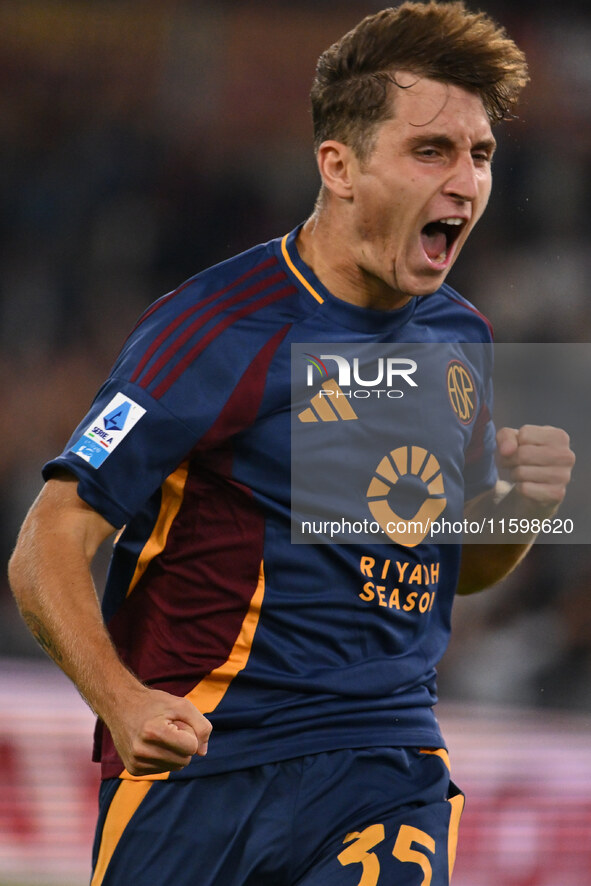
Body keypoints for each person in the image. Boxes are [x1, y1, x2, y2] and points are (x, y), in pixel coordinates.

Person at [8, 3, 574, 885]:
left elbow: (452, 564)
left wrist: (529, 508)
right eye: (431, 151)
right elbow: (47, 543)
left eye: (480, 154)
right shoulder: (214, 328)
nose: (464, 180)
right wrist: (120, 700)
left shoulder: (460, 336)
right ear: (338, 167)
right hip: (202, 771)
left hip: (386, 765)